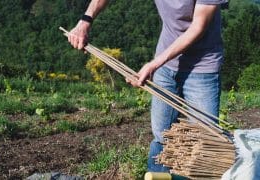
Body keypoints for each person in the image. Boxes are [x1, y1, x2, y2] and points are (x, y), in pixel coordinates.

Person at [67, 0, 227, 172]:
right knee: (162, 135)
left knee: (204, 142)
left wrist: (153, 64)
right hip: (165, 66)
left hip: (202, 67)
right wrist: (85, 21)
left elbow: (198, 26)